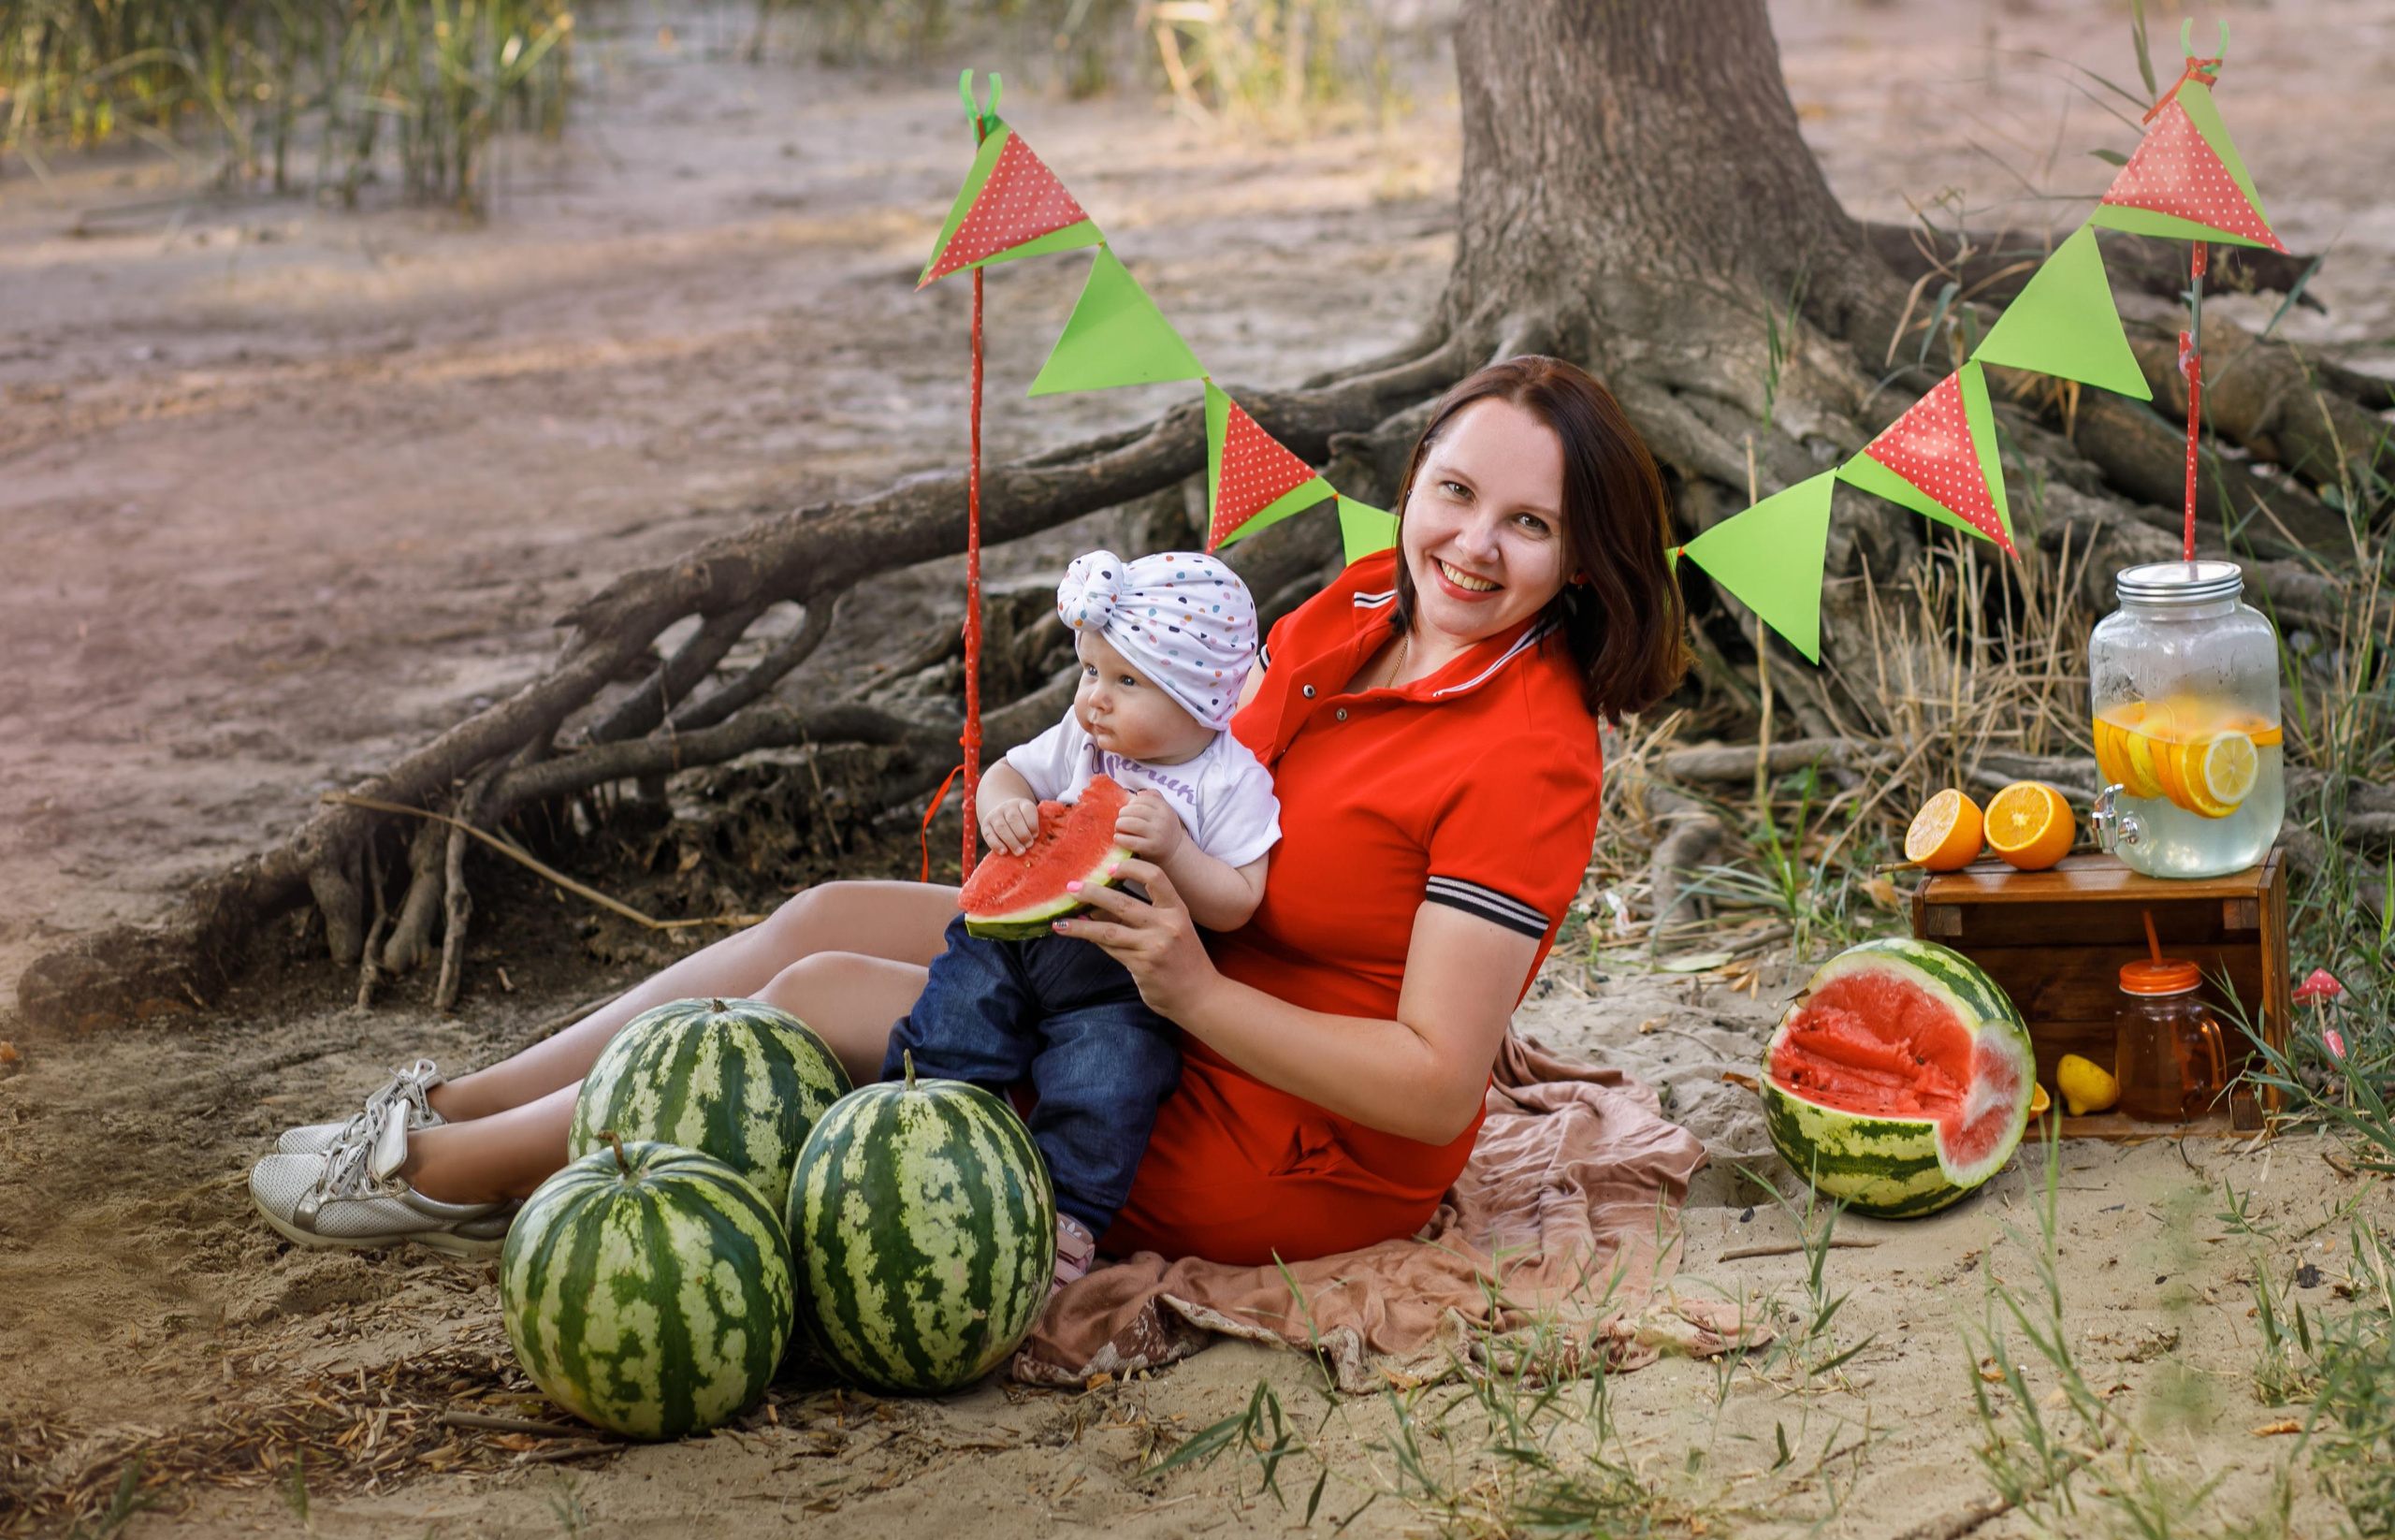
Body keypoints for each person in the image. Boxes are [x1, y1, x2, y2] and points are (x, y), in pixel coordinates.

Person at [248, 355, 1688, 1268]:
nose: (1471, 544)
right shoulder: (1362, 602)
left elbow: (1434, 1085)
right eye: (1454, 491)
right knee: (822, 916)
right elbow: (1182, 759)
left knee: (817, 995)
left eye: (1529, 522)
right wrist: (1046, 779)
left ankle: (442, 1176)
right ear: (1413, 481)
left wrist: (1189, 987)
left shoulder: (1531, 756)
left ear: (1583, 558)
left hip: (1273, 1118)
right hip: (1154, 946)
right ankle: (455, 1099)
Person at [888, 548, 1278, 1288]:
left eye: (1126, 681)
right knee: (953, 1018)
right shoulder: (1082, 734)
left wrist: (1178, 852)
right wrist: (1003, 806)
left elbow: (1240, 898)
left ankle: (1066, 1216)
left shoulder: (1231, 780)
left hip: (1121, 983)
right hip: (1009, 942)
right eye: (1091, 670)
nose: (1096, 697)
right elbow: (1008, 771)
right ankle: (912, 1133)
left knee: (1110, 1080)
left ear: (1200, 696)